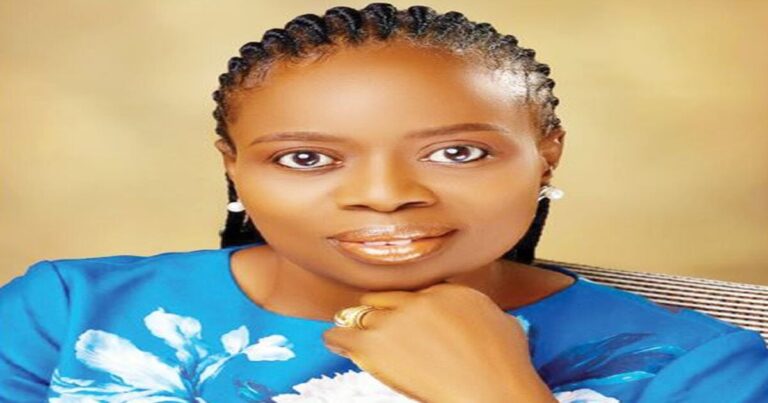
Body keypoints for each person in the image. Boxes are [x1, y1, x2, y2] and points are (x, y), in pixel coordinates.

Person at [1, 3, 767, 402]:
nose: (387, 195)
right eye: (306, 158)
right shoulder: (63, 314)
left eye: (457, 152)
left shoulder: (703, 368)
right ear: (233, 169)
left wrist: (494, 393)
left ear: (547, 154)